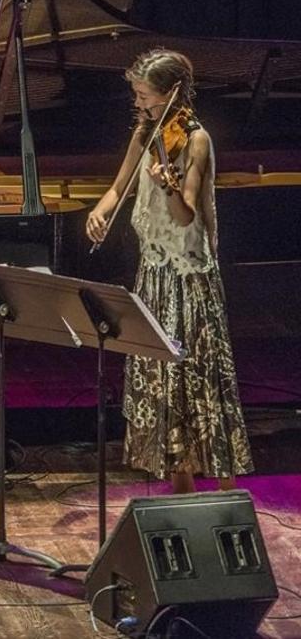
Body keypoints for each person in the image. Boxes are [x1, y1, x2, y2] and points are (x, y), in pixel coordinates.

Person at [86, 49, 252, 494]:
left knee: (197, 384)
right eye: (137, 95)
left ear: (172, 92)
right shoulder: (145, 133)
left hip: (189, 278)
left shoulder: (196, 140)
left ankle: (226, 493)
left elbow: (184, 215)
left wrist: (169, 186)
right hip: (155, 274)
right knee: (164, 384)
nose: (139, 104)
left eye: (145, 96)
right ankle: (182, 493)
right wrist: (101, 211)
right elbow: (119, 186)